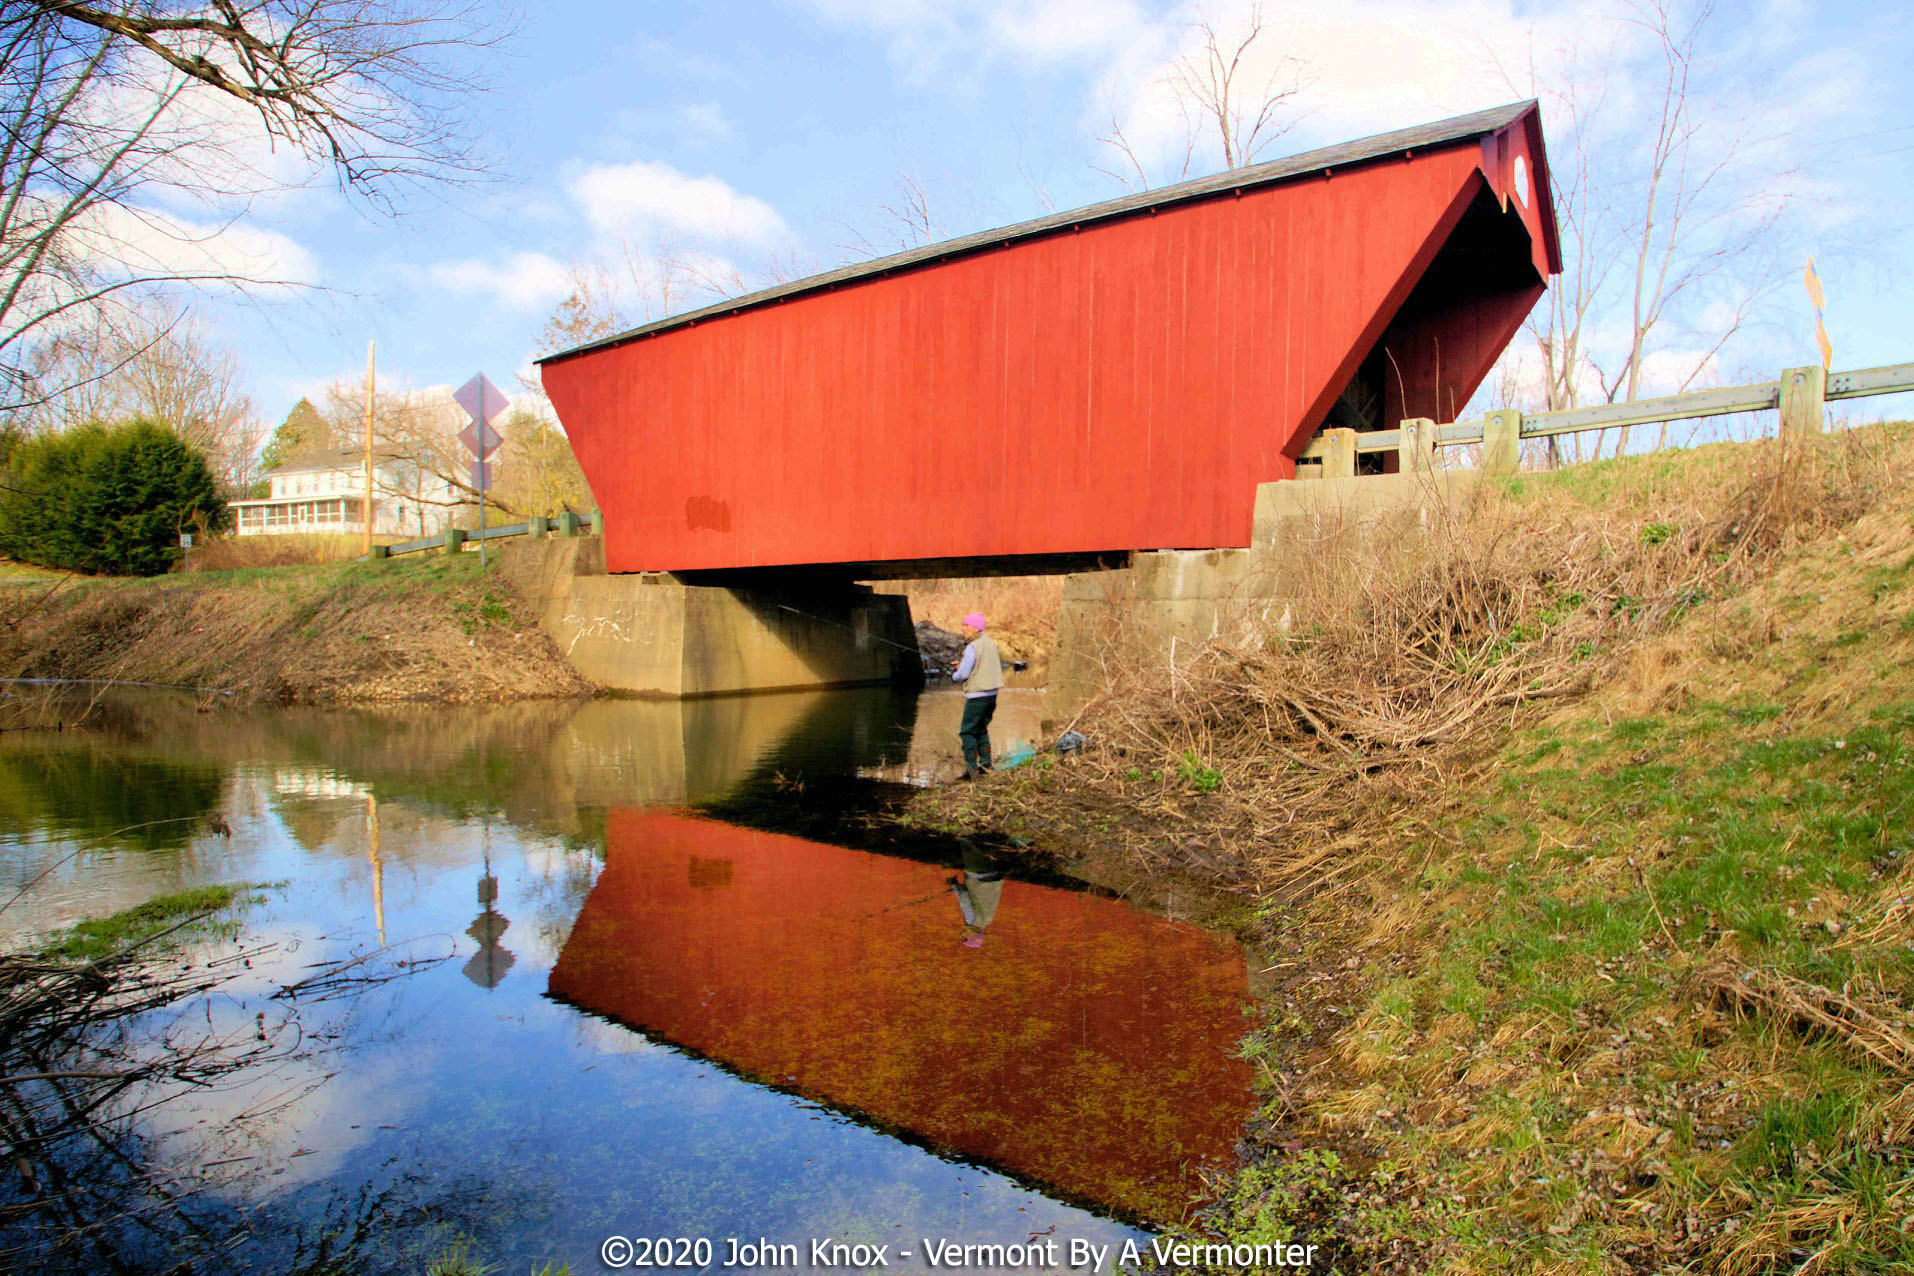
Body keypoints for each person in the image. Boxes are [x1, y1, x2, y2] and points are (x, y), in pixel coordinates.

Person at [949, 611, 1004, 779]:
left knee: (967, 732)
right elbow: (983, 666)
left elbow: (963, 674)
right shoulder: (991, 644)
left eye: (967, 625)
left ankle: (971, 771)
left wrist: (954, 674)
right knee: (980, 729)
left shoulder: (972, 647)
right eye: (963, 624)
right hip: (992, 695)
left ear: (976, 628)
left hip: (977, 696)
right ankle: (986, 765)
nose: (963, 628)